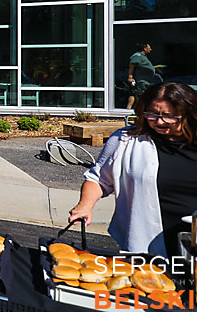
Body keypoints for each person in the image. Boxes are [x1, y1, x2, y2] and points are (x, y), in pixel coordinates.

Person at [69, 81, 197, 256]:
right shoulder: (125, 140)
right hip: (146, 243)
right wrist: (84, 205)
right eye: (152, 114)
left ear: (188, 114)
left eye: (169, 116)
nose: (159, 121)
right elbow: (98, 179)